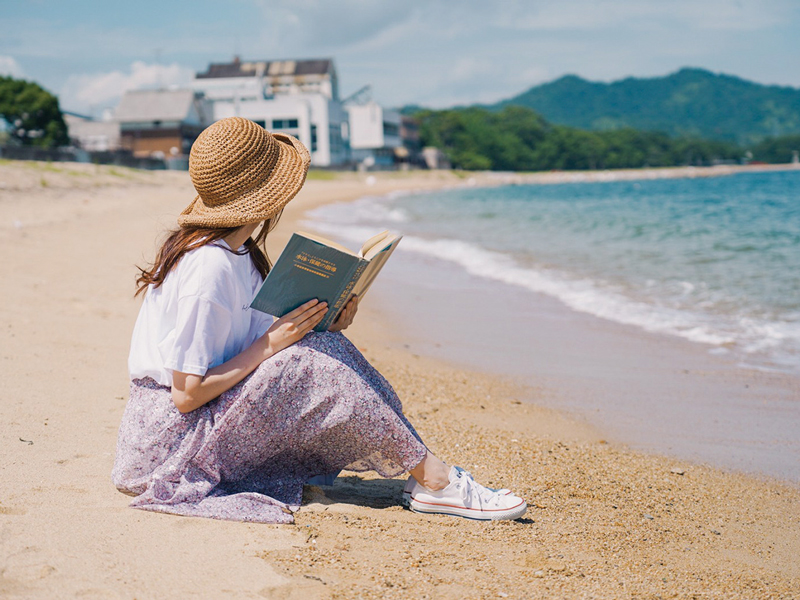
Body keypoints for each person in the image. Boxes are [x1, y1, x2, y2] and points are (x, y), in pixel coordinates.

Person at [112, 117, 527, 523]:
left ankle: (426, 474)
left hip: (191, 425)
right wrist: (272, 344)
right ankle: (435, 480)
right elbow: (186, 394)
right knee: (305, 363)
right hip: (166, 444)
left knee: (323, 346)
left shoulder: (240, 255)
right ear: (265, 196)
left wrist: (327, 319)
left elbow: (254, 346)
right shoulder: (208, 268)